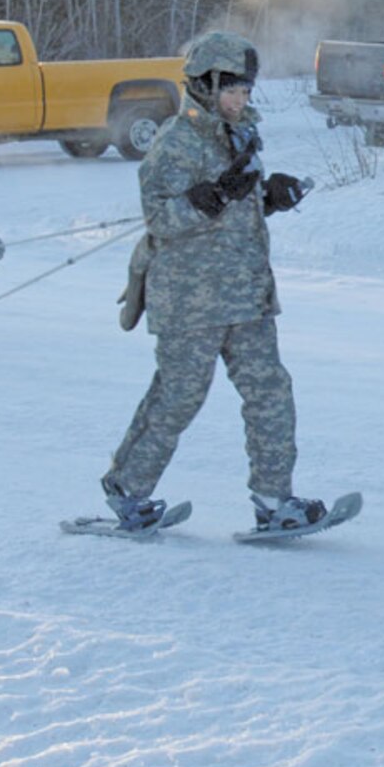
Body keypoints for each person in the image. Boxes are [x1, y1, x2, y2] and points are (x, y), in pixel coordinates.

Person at [98, 30, 326, 536]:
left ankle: (274, 499)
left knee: (271, 391)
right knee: (179, 397)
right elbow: (160, 220)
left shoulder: (241, 134)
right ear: (205, 85)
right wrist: (213, 197)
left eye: (246, 91)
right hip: (190, 300)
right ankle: (128, 489)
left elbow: (237, 208)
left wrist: (269, 196)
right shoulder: (174, 143)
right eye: (232, 90)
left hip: (246, 295)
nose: (241, 100)